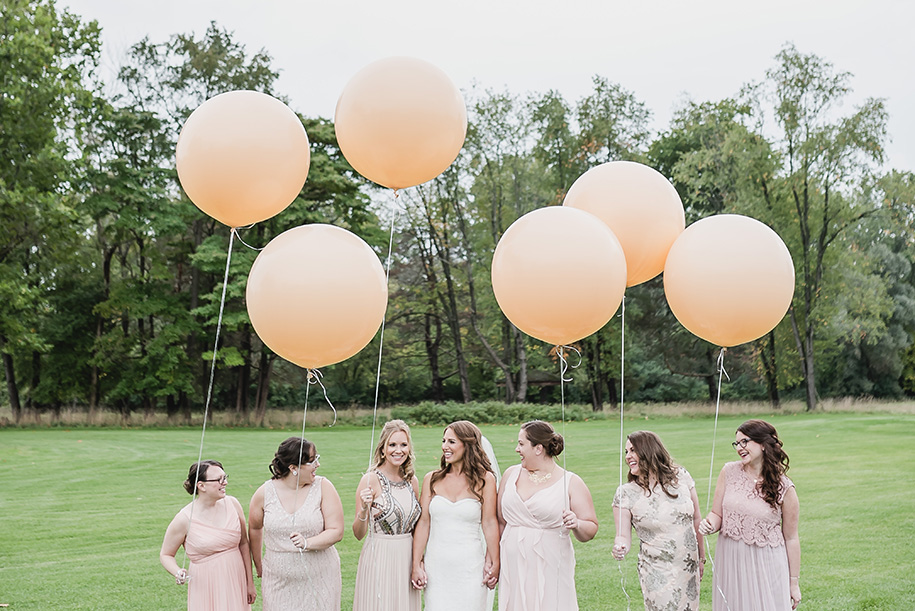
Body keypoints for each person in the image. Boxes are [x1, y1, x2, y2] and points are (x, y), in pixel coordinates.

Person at [699, 420, 801, 610]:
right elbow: (716, 513)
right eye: (737, 443)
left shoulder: (784, 487)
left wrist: (793, 583)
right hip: (731, 561)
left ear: (763, 444)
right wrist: (710, 524)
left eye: (744, 442)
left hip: (766, 564)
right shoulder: (728, 471)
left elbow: (791, 538)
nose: (739, 448)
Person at [497, 420, 599, 611]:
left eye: (521, 444)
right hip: (513, 565)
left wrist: (576, 523)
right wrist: (496, 561)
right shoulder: (510, 474)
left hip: (551, 564)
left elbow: (591, 528)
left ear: (538, 448)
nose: (516, 449)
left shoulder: (571, 482)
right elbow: (500, 521)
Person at [411, 420, 500, 611]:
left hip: (470, 565)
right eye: (444, 441)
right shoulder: (432, 479)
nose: (445, 447)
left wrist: (494, 561)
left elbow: (490, 523)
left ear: (467, 445)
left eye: (451, 442)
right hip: (437, 565)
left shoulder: (485, 480)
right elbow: (424, 524)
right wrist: (416, 563)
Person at [611, 431, 704, 611]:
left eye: (632, 450)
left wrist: (702, 557)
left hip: (687, 566)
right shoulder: (626, 493)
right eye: (626, 452)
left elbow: (696, 518)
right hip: (657, 569)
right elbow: (622, 536)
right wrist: (619, 546)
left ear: (648, 451)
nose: (627, 456)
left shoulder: (682, 477)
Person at [249, 437, 344, 611]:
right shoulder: (264, 493)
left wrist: (308, 543)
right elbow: (255, 528)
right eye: (312, 461)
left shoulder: (324, 487)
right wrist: (259, 564)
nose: (317, 465)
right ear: (293, 468)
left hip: (320, 577)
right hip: (278, 580)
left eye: (317, 458)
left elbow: (336, 530)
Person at [160, 460, 256, 610]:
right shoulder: (184, 519)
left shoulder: (233, 504)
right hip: (205, 585)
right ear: (201, 485)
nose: (225, 483)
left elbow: (244, 543)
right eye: (219, 480)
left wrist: (249, 583)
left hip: (235, 580)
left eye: (225, 477)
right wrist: (177, 571)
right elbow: (166, 554)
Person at [352, 420, 422, 611]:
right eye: (392, 445)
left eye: (403, 445)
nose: (398, 450)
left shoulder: (412, 481)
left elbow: (418, 528)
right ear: (382, 449)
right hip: (379, 555)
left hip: (406, 556)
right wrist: (364, 509)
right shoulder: (370, 480)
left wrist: (418, 562)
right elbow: (358, 534)